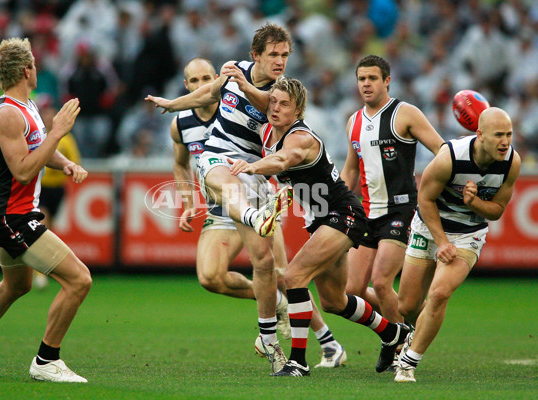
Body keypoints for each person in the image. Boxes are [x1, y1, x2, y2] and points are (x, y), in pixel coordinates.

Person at [172, 57, 347, 371]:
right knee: (210, 277)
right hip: (221, 200)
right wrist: (187, 201)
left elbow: (285, 143)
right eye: (194, 81)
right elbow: (180, 163)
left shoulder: (254, 102)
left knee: (280, 274)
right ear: (187, 86)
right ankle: (279, 306)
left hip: (255, 193)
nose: (201, 86)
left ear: (218, 79)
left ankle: (327, 341)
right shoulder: (182, 124)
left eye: (206, 79)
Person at [229, 77, 409, 377]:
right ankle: (393, 333)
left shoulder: (301, 138)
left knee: (295, 276)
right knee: (333, 301)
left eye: (283, 104)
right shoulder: (269, 130)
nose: (274, 108)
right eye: (272, 102)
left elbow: (286, 159)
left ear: (298, 110)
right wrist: (246, 88)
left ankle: (297, 361)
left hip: (342, 213)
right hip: (321, 219)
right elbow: (266, 107)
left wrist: (253, 167)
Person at [0, 38, 92, 383]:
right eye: (35, 64)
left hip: (13, 213)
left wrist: (65, 162)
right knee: (79, 280)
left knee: (16, 286)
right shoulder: (9, 114)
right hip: (11, 216)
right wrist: (58, 132)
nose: (37, 69)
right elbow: (24, 170)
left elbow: (39, 148)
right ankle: (46, 361)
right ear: (27, 70)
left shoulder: (23, 108)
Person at [394, 107, 520, 383]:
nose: (505, 141)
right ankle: (418, 331)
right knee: (407, 304)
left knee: (439, 294)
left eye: (509, 134)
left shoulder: (511, 162)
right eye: (498, 134)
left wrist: (473, 202)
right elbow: (424, 200)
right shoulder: (449, 157)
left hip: (468, 233)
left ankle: (407, 363)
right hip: (428, 227)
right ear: (480, 135)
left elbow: (497, 210)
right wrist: (440, 241)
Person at [341, 55, 443, 336]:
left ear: (387, 81)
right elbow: (351, 169)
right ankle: (408, 319)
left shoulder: (405, 113)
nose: (366, 84)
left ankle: (398, 346)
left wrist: (441, 187)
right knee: (352, 291)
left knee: (382, 282)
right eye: (361, 79)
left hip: (399, 211)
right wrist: (333, 205)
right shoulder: (354, 121)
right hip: (366, 212)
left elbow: (441, 149)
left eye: (372, 78)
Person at [34, 102, 82, 290]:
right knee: (43, 224)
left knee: (49, 229)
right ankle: (40, 273)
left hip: (58, 189)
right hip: (42, 188)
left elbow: (74, 161)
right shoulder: (40, 137)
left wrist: (68, 168)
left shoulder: (66, 140)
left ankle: (41, 266)